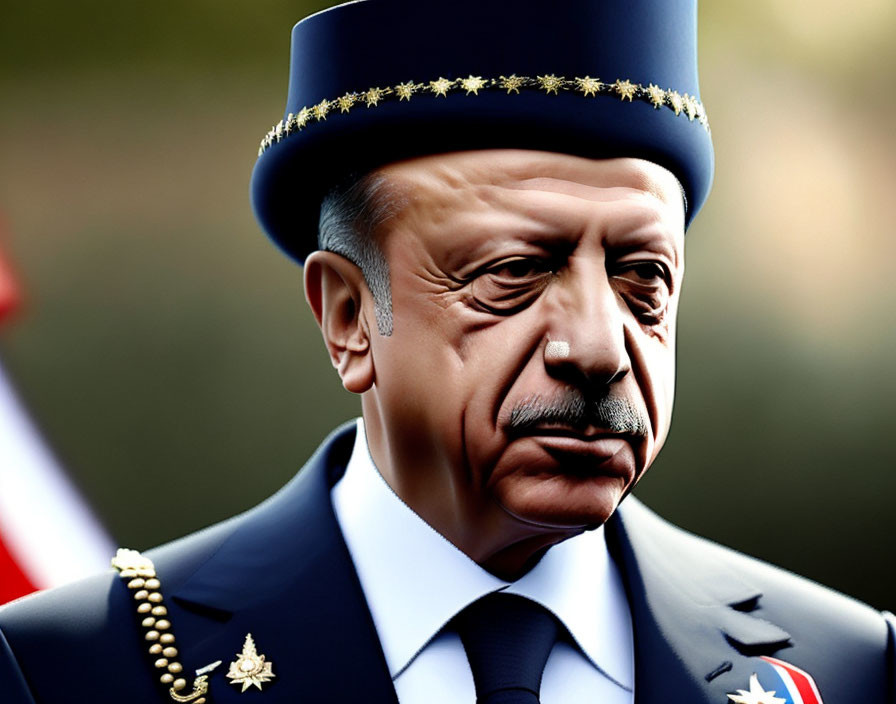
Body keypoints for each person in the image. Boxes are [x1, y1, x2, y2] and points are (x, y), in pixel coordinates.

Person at [1, 1, 893, 703]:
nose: (596, 347)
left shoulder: (845, 667)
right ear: (348, 316)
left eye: (642, 280)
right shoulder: (80, 670)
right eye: (512, 273)